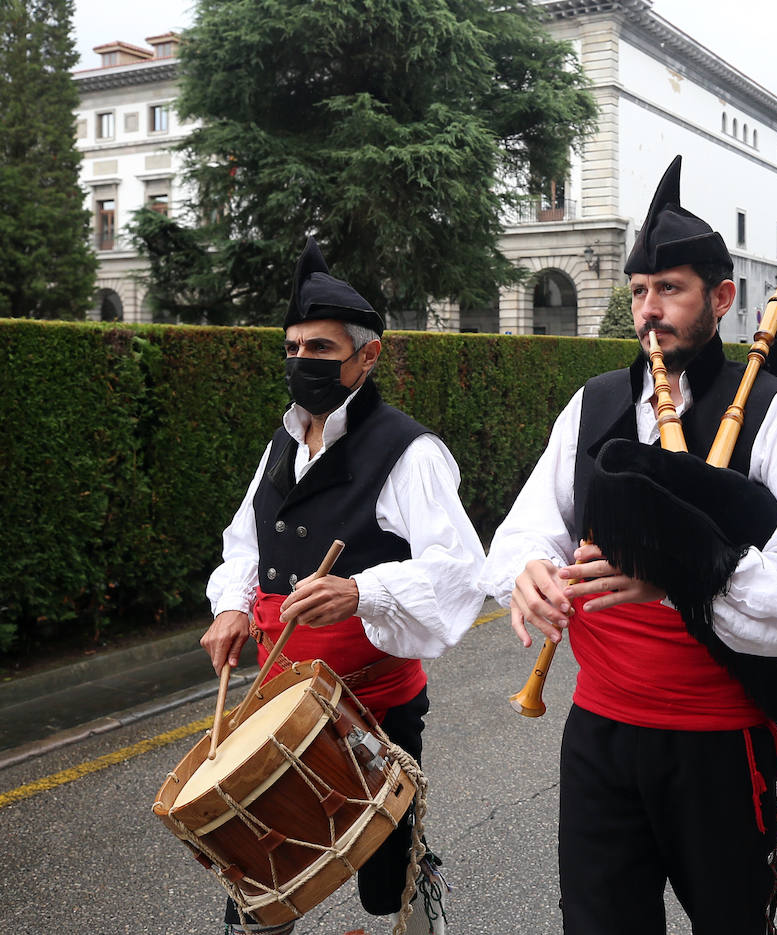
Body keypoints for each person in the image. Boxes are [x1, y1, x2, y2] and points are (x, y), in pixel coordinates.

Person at [477, 156, 777, 935]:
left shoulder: (775, 413)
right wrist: (528, 570)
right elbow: (527, 523)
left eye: (671, 291)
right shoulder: (596, 403)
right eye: (640, 292)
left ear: (721, 300)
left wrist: (686, 574)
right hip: (599, 733)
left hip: (715, 743)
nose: (650, 311)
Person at [201, 238, 487, 935]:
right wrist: (234, 603)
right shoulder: (283, 441)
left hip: (375, 711)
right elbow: (248, 536)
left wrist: (363, 591)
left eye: (321, 348)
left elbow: (459, 568)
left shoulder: (408, 451)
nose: (303, 361)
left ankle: (420, 901)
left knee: (384, 881)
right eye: (293, 347)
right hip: (283, 699)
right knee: (258, 871)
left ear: (368, 355)